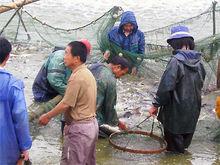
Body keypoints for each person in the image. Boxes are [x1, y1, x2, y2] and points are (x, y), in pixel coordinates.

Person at [39, 41, 98, 165]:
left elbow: (66, 103)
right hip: (91, 126)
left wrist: (47, 116)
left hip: (80, 130)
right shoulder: (87, 73)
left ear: (76, 59)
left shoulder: (76, 77)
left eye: (66, 53)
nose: (64, 56)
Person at [149, 25, 206, 153]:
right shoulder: (200, 62)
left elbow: (166, 87)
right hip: (193, 109)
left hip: (175, 112)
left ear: (175, 43)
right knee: (183, 145)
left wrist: (155, 104)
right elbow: (201, 84)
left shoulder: (175, 61)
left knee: (172, 150)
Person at [30, 39, 91, 133]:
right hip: (44, 88)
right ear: (77, 56)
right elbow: (54, 81)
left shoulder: (79, 67)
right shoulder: (59, 59)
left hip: (59, 90)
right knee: (39, 110)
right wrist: (70, 92)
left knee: (55, 113)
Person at [0, 37, 32, 164]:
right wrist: (25, 146)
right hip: (6, 148)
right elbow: (20, 117)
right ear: (8, 57)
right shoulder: (13, 85)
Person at [89, 56, 131, 138]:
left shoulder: (96, 66)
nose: (119, 77)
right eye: (122, 74)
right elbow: (109, 107)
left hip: (73, 113)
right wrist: (117, 123)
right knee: (112, 137)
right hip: (88, 119)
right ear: (117, 67)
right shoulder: (110, 80)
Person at [107, 11, 145, 75]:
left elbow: (141, 53)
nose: (128, 28)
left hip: (130, 64)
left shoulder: (140, 35)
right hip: (116, 64)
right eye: (126, 26)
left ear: (134, 25)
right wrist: (107, 51)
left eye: (131, 26)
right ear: (122, 24)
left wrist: (135, 66)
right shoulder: (113, 32)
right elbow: (107, 45)